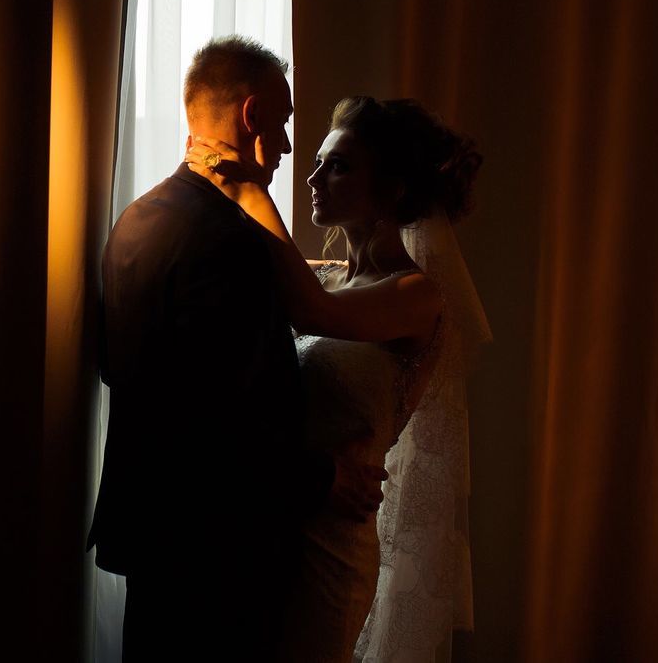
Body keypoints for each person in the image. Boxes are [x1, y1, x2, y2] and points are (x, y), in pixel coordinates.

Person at [87, 37, 389, 661]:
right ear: (251, 117)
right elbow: (226, 419)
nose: (283, 147)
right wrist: (325, 476)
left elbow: (121, 367)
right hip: (219, 546)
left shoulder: (137, 218)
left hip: (154, 533)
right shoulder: (232, 245)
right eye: (281, 124)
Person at [185, 93, 489, 662]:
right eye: (320, 161)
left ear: (393, 189)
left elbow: (312, 316)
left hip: (331, 545)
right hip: (277, 523)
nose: (314, 177)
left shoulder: (415, 295)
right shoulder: (326, 278)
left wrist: (251, 188)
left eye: (340, 165)